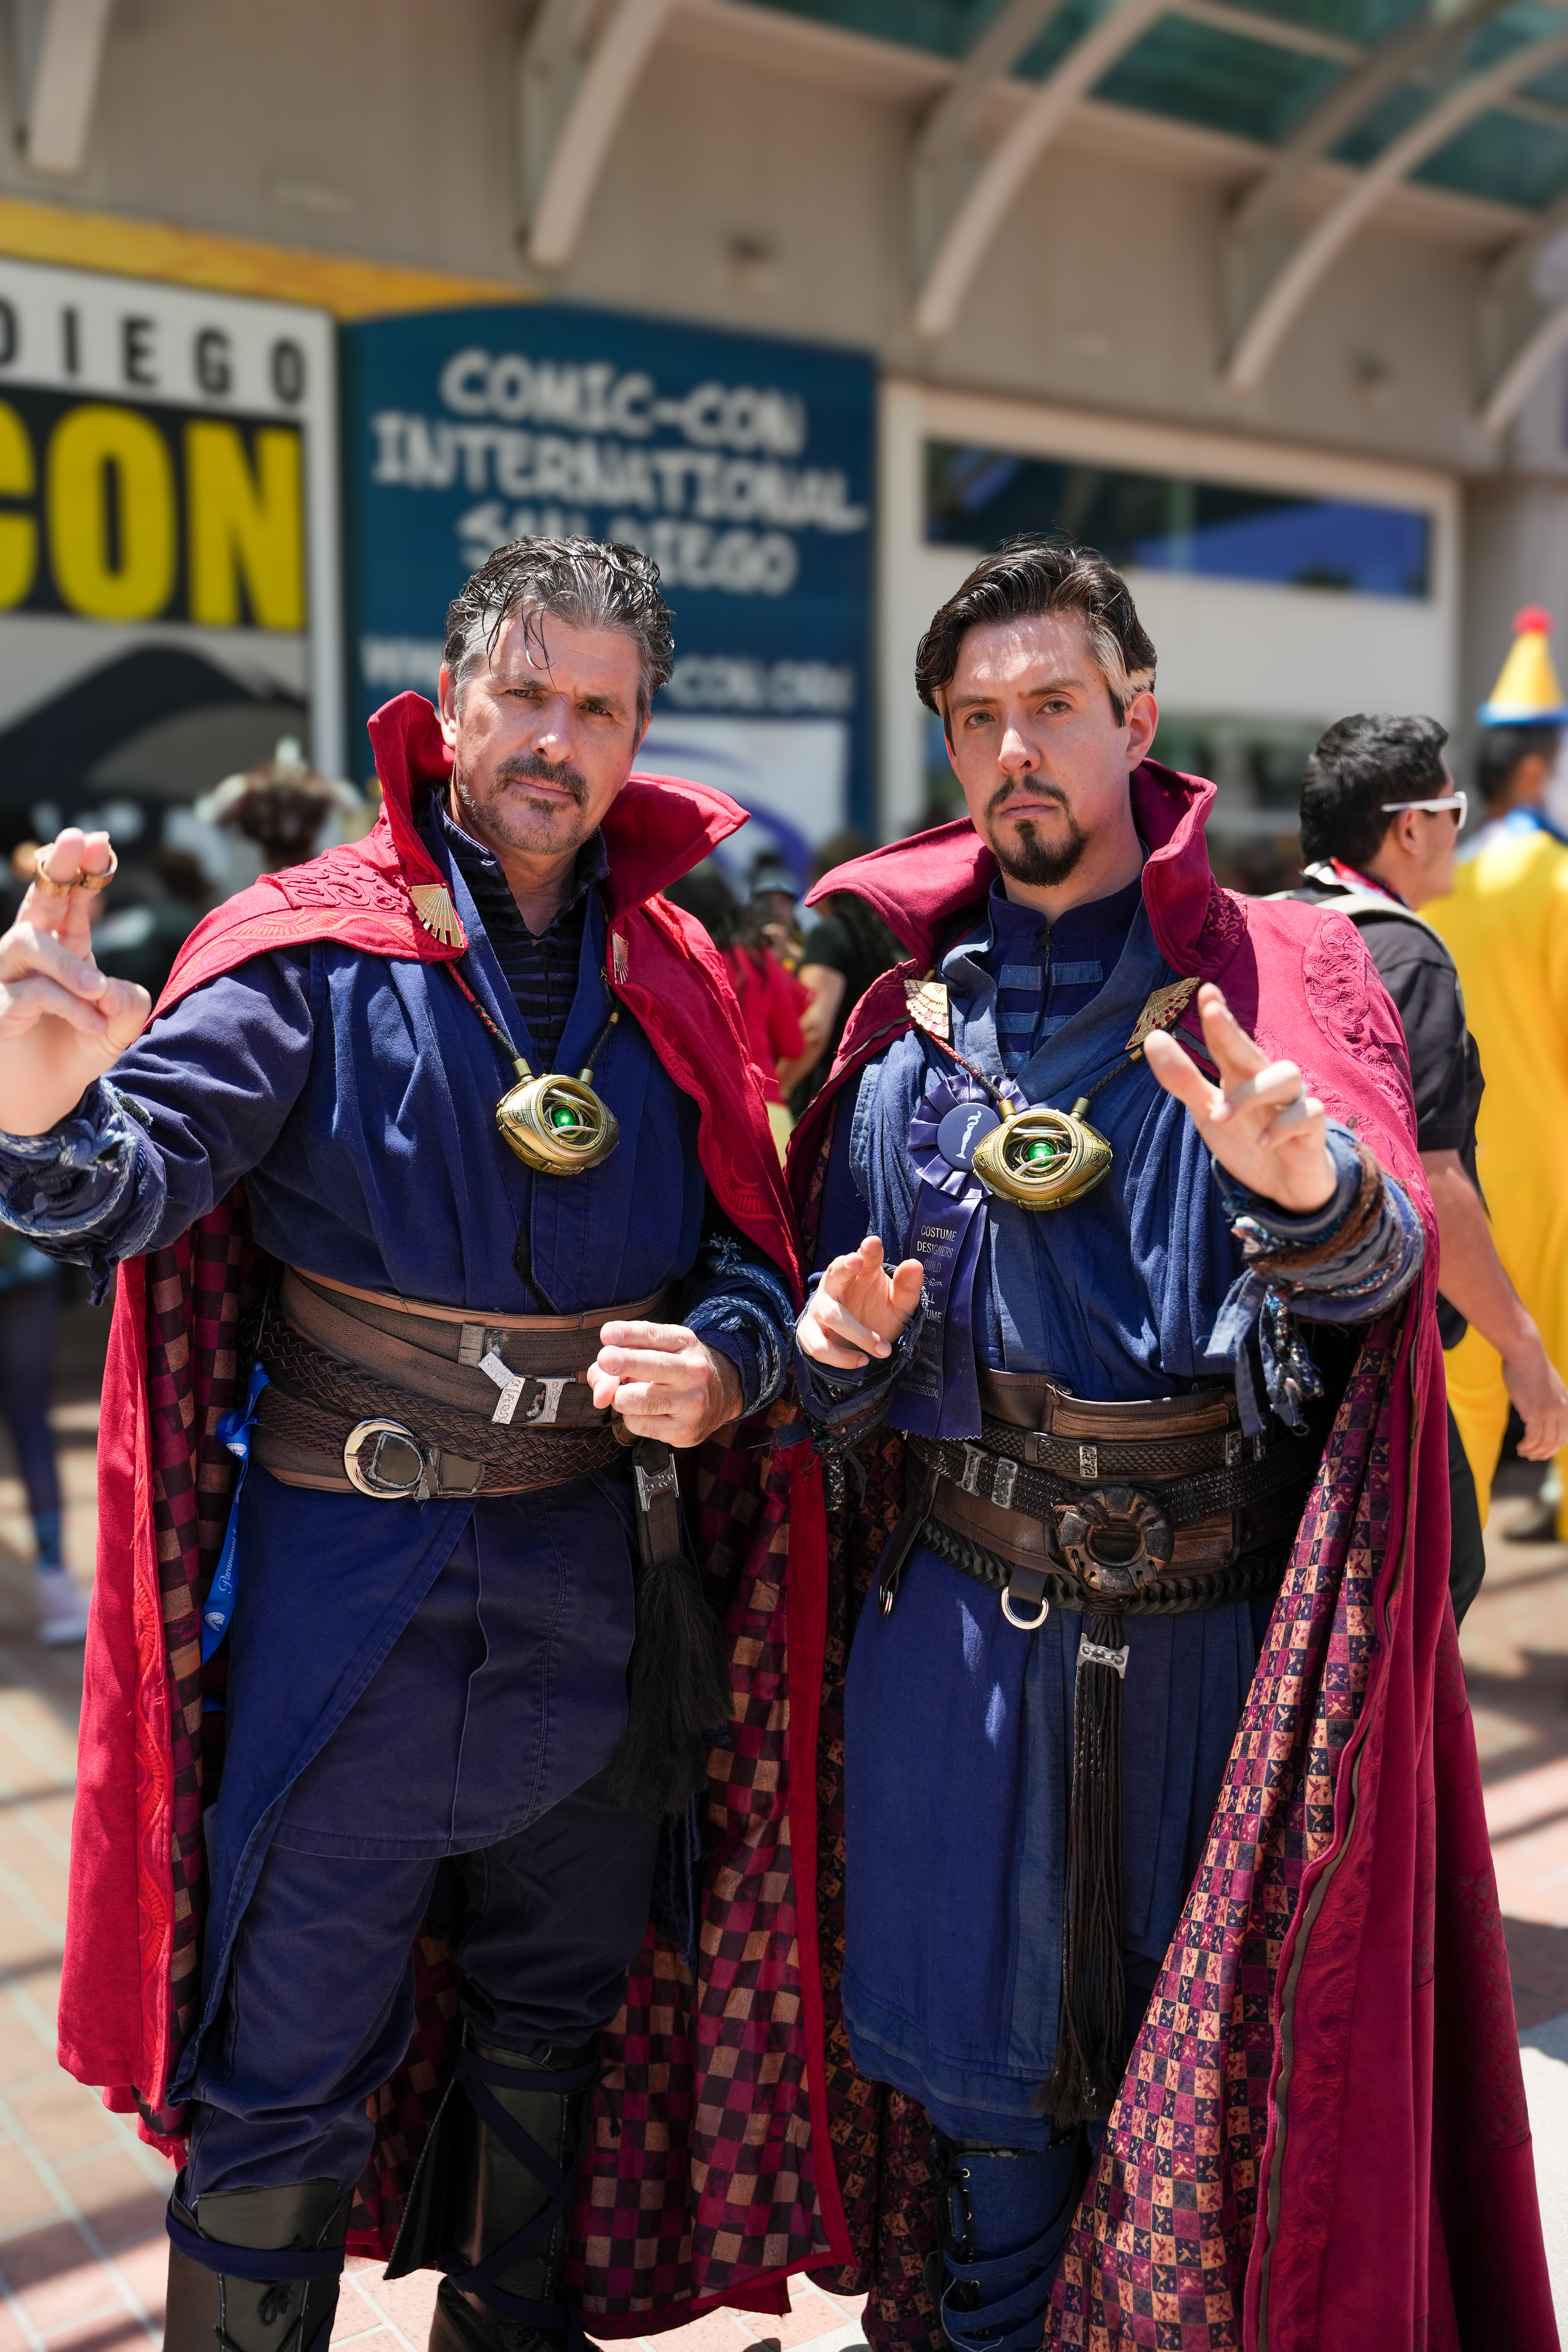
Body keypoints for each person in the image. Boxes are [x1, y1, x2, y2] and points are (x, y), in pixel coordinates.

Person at [0, 540, 835, 2352]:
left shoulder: (677, 968)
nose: (557, 737)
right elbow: (131, 1185)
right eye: (525, 693)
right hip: (350, 1596)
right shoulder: (307, 946)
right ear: (447, 699)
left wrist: (726, 1361)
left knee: (560, 2039)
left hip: (597, 1600)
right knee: (284, 2064)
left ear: (636, 734)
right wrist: (38, 1108)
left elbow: (746, 1270)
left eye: (598, 707)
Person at [785, 536, 1553, 2345]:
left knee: (1211, 2181)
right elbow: (833, 1386)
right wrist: (826, 1355)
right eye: (977, 717)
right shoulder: (904, 1035)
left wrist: (1308, 1199)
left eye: (1054, 702)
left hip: (1215, 1665)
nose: (1016, 746)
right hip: (960, 1662)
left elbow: (1376, 1292)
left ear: (1139, 717)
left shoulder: (1276, 985)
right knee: (993, 2200)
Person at [1290, 710, 1568, 1617]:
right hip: (1375, 1359)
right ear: (1409, 826)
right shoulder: (1408, 955)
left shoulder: (1267, 926)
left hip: (1264, 1352)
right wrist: (1525, 1350)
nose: (1460, 824)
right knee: (1430, 1594)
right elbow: (1435, 1180)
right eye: (1449, 808)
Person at [1429, 605, 1568, 1540]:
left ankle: (1447, 1603)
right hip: (1554, 1163)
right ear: (1533, 768)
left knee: (1471, 1389)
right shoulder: (1557, 882)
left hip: (1465, 1171)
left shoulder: (1447, 881)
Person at [0, 1220, 83, 1641]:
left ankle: (56, 1593)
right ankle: (56, 1594)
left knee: (33, 1426)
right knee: (32, 1426)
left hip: (27, 1262)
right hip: (23, 1254)